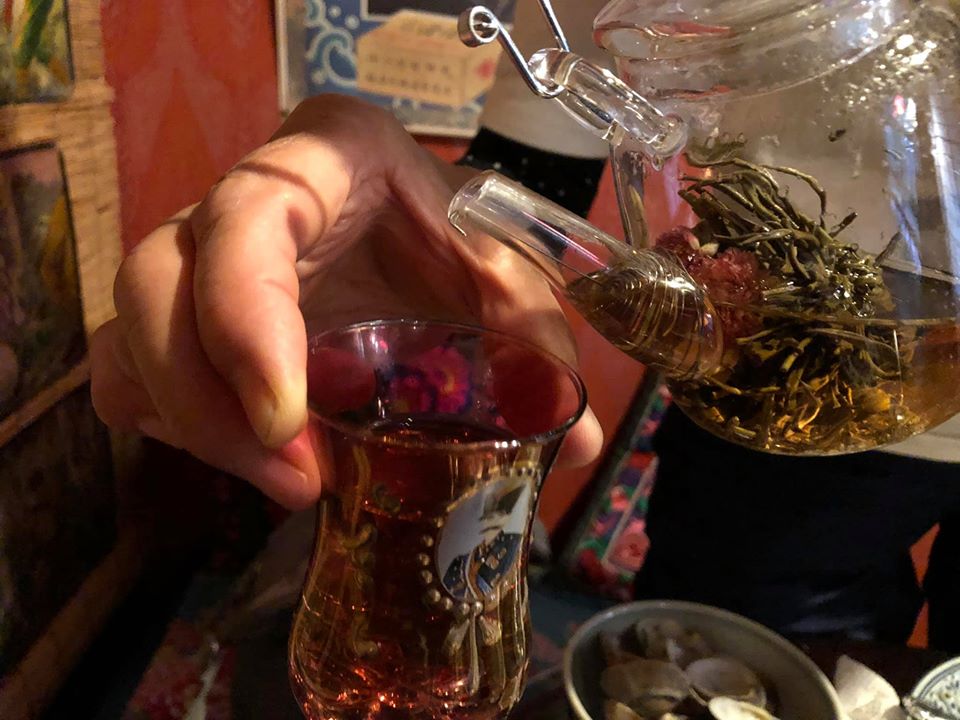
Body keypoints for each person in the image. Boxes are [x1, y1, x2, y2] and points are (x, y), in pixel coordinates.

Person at [91, 0, 960, 651]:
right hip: (770, 413)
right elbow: (522, 183)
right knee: (735, 672)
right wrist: (407, 217)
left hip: (921, 354)